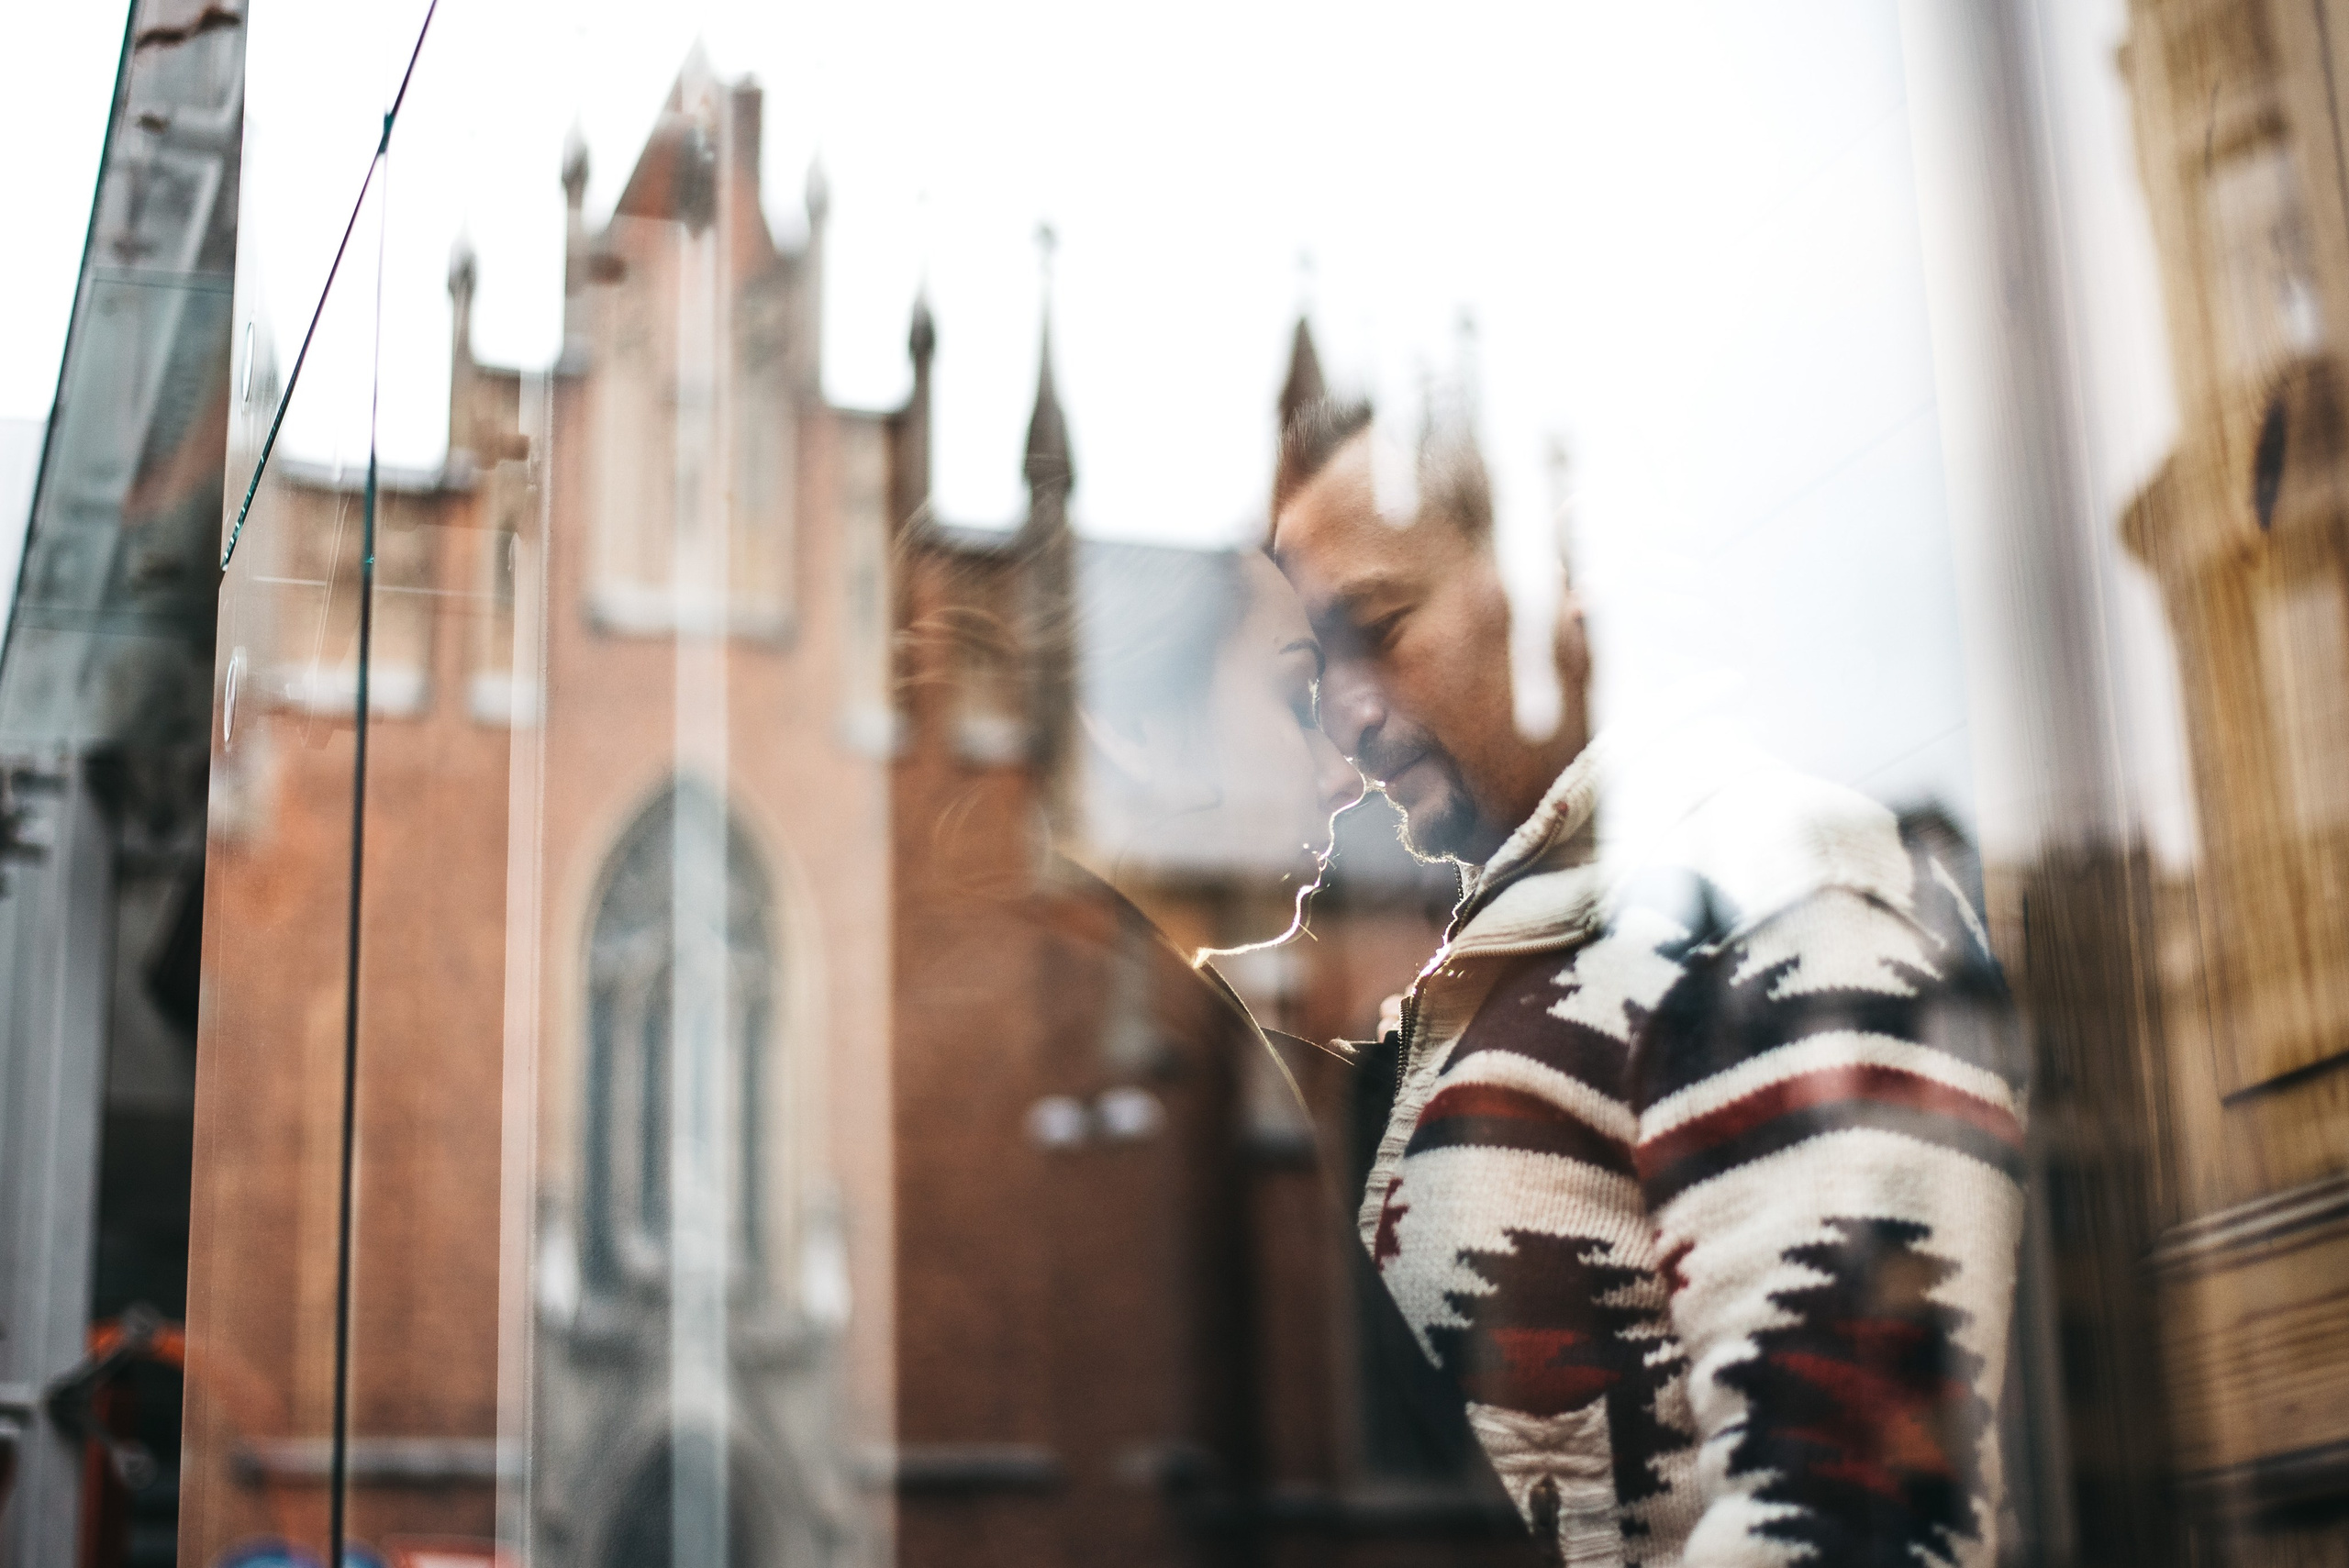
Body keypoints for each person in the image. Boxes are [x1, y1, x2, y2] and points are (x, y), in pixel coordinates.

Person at [1270, 401, 2027, 1567]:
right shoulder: (1555, 936)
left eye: (1376, 628)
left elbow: (1848, 1520)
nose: (1346, 722)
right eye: (1318, 673)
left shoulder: (1767, 903)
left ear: (1557, 571)